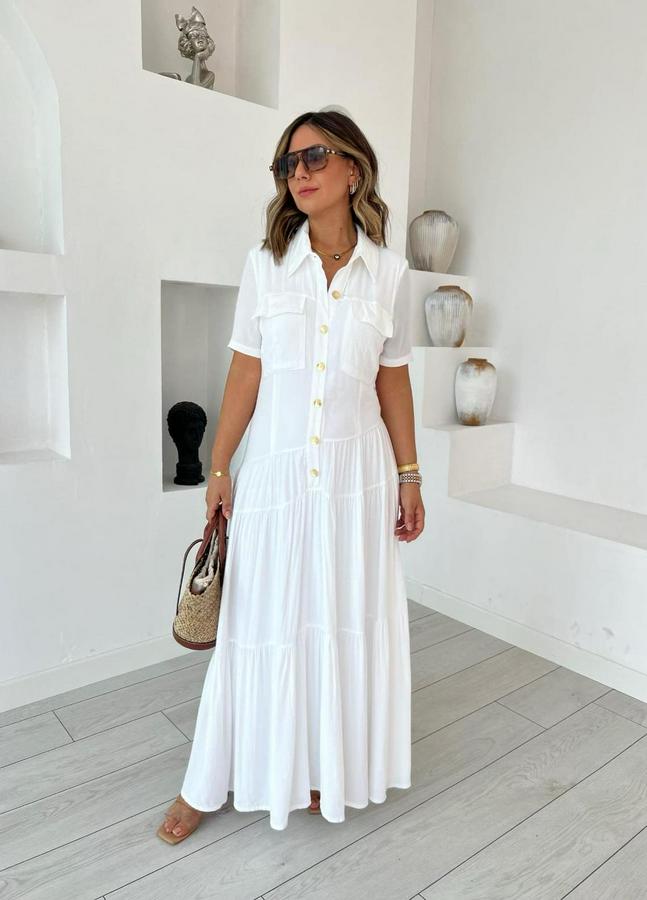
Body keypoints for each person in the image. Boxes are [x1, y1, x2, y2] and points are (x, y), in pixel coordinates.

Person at [158, 109, 425, 842]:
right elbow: (245, 372)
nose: (297, 173)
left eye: (313, 157)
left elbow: (393, 379)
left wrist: (409, 475)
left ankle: (318, 765)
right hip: (276, 474)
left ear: (353, 170)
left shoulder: (390, 274)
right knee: (260, 622)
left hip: (356, 478)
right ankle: (205, 782)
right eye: (286, 164)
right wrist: (219, 466)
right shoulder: (265, 264)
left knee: (336, 618)